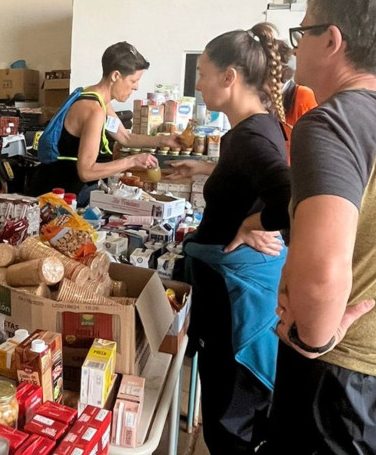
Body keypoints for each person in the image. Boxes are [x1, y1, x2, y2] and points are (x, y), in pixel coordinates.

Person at [267, 0, 376, 454]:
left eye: (302, 34)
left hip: (344, 379)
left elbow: (322, 273)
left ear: (332, 40)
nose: (295, 49)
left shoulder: (333, 123)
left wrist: (313, 337)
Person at [166, 23, 291, 454]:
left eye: (202, 73)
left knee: (229, 424)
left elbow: (290, 192)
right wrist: (204, 170)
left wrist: (255, 225)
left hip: (237, 301)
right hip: (232, 291)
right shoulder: (255, 127)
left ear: (229, 77)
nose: (197, 84)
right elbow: (251, 183)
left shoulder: (250, 136)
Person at [30, 42, 167, 204]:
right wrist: (132, 161)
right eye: (133, 81)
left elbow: (125, 137)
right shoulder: (93, 110)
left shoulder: (99, 100)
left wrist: (163, 141)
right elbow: (86, 172)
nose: (136, 87)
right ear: (116, 76)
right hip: (59, 198)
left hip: (71, 192)